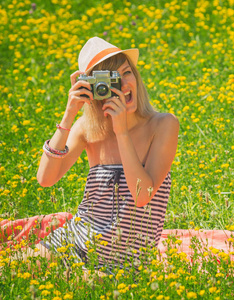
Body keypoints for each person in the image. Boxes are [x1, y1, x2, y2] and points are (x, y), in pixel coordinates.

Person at [32, 37, 179, 272]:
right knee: (13, 270)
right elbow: (45, 179)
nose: (121, 84)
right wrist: (69, 115)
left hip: (125, 262)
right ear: (92, 86)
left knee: (78, 287)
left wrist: (121, 131)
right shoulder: (86, 127)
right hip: (73, 242)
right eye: (110, 78)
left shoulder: (163, 125)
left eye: (126, 72)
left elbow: (143, 196)